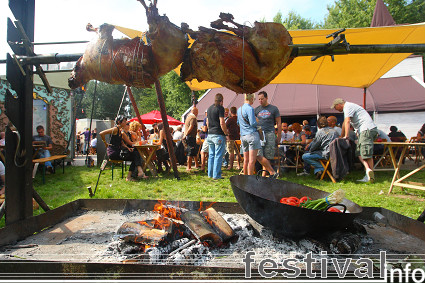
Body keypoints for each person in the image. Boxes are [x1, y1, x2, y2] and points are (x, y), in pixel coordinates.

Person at [332, 98, 378, 183]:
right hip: (364, 131)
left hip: (366, 129)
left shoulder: (347, 107)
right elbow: (344, 123)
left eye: (335, 108)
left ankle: (370, 176)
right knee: (359, 152)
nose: (336, 110)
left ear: (338, 105)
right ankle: (368, 171)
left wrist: (346, 136)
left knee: (366, 153)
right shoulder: (350, 107)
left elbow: (347, 121)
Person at [238, 93, 277, 177]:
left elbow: (238, 123)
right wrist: (257, 121)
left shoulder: (239, 109)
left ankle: (245, 178)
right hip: (252, 135)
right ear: (251, 98)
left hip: (243, 136)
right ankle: (250, 179)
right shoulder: (250, 109)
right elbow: (253, 123)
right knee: (252, 160)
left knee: (246, 160)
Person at [99, 116, 147, 181]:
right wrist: (105, 143)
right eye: (124, 121)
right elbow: (101, 133)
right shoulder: (116, 129)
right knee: (135, 155)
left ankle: (135, 173)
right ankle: (135, 174)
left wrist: (128, 148)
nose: (126, 123)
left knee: (136, 154)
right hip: (113, 153)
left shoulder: (120, 131)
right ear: (119, 122)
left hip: (118, 151)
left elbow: (122, 143)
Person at [255, 91, 282, 175]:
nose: (260, 101)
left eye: (262, 99)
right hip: (259, 134)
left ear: (266, 98)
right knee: (259, 154)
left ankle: (264, 175)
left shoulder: (274, 109)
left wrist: (279, 136)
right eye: (259, 99)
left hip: (270, 133)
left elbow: (279, 123)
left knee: (268, 155)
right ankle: (271, 172)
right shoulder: (256, 110)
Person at [207, 93, 230, 179]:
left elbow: (207, 123)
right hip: (218, 134)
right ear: (221, 101)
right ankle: (216, 175)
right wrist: (226, 133)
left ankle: (210, 174)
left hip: (210, 134)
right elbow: (222, 122)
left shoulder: (209, 108)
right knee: (218, 155)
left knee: (211, 155)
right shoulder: (220, 108)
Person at [183, 107, 199, 171]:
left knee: (193, 150)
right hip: (190, 136)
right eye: (197, 112)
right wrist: (186, 134)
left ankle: (196, 164)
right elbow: (191, 126)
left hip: (190, 136)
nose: (197, 113)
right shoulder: (193, 117)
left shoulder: (188, 117)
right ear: (195, 112)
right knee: (190, 150)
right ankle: (188, 167)